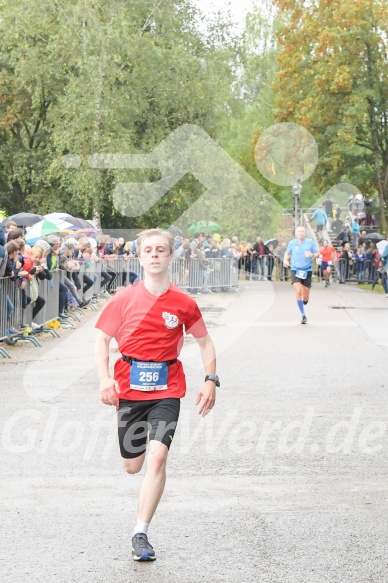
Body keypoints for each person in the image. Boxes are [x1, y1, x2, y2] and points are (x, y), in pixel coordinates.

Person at [95, 228, 218, 562]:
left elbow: (205, 341)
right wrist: (106, 379)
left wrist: (211, 379)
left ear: (169, 256)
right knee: (132, 466)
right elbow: (102, 340)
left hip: (168, 388)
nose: (154, 255)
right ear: (139, 256)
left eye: (160, 250)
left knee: (158, 456)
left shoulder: (183, 302)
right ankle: (133, 459)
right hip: (130, 389)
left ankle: (140, 533)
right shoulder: (123, 299)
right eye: (147, 250)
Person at [283, 226, 319, 324]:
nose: (300, 233)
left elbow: (317, 253)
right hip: (295, 270)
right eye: (298, 231)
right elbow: (287, 253)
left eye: (302, 231)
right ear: (295, 233)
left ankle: (305, 300)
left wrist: (311, 255)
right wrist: (285, 260)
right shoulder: (292, 243)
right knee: (298, 290)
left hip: (307, 270)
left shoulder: (310, 242)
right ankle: (303, 315)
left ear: (305, 232)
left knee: (305, 296)